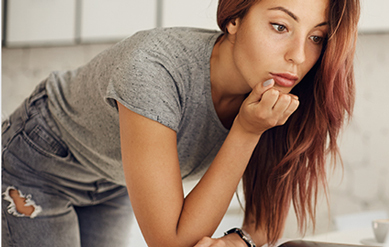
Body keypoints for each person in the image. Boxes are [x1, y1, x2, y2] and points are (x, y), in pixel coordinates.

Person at [1, 0, 360, 246]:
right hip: (40, 164)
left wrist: (239, 241)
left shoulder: (279, 95)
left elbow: (267, 212)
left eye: (316, 37)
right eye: (280, 26)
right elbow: (171, 242)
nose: (298, 55)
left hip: (113, 180)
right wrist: (247, 131)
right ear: (234, 19)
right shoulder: (152, 70)